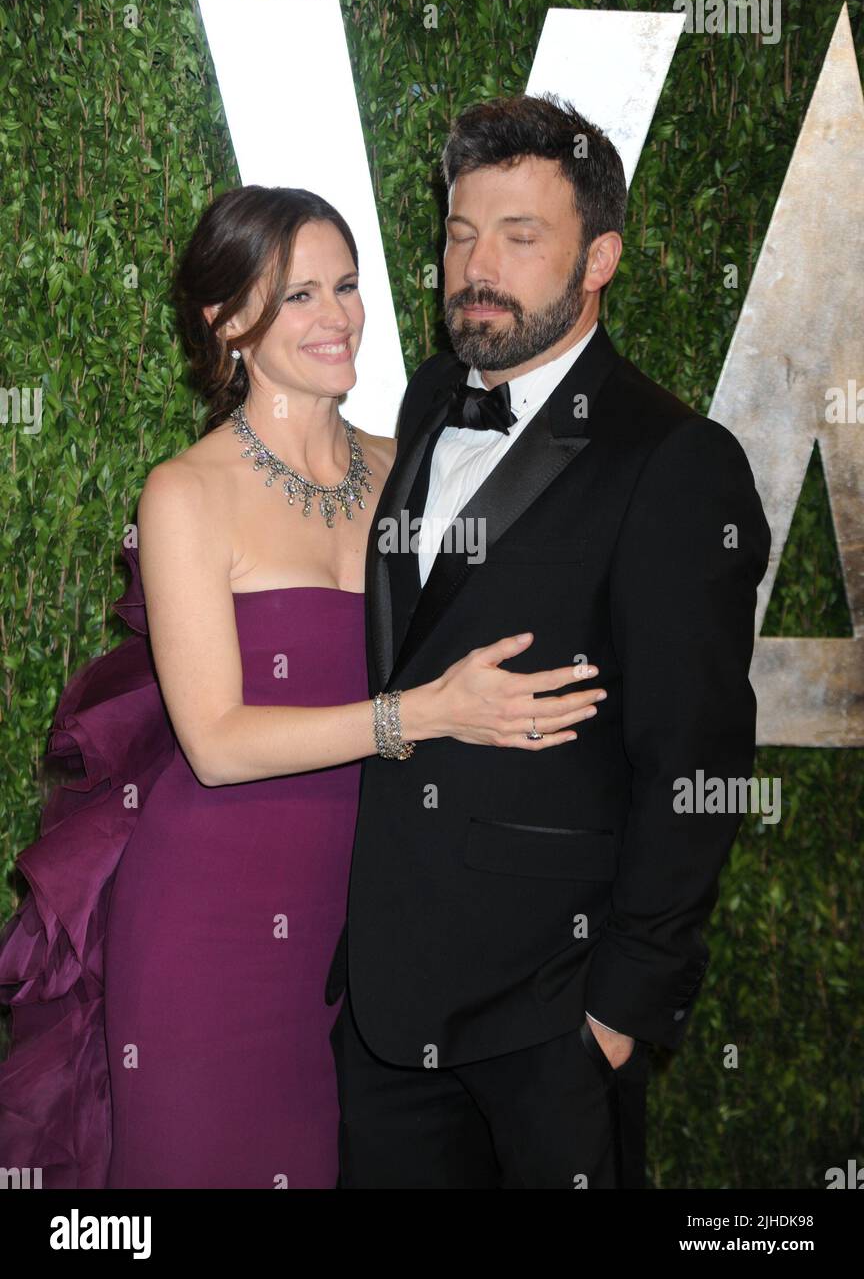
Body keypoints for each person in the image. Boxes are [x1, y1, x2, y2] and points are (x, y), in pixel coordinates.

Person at [0, 185, 601, 1188]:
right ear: (227, 321)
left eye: (349, 286)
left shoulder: (410, 469)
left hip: (368, 933)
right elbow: (218, 742)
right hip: (207, 920)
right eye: (299, 297)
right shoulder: (184, 490)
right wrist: (420, 715)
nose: (338, 318)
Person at [324, 93, 773, 1189]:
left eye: (521, 237)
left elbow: (697, 760)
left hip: (548, 1020)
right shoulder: (432, 399)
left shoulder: (673, 461)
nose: (477, 266)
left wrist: (615, 1018)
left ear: (600, 256)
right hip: (386, 1004)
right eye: (461, 232)